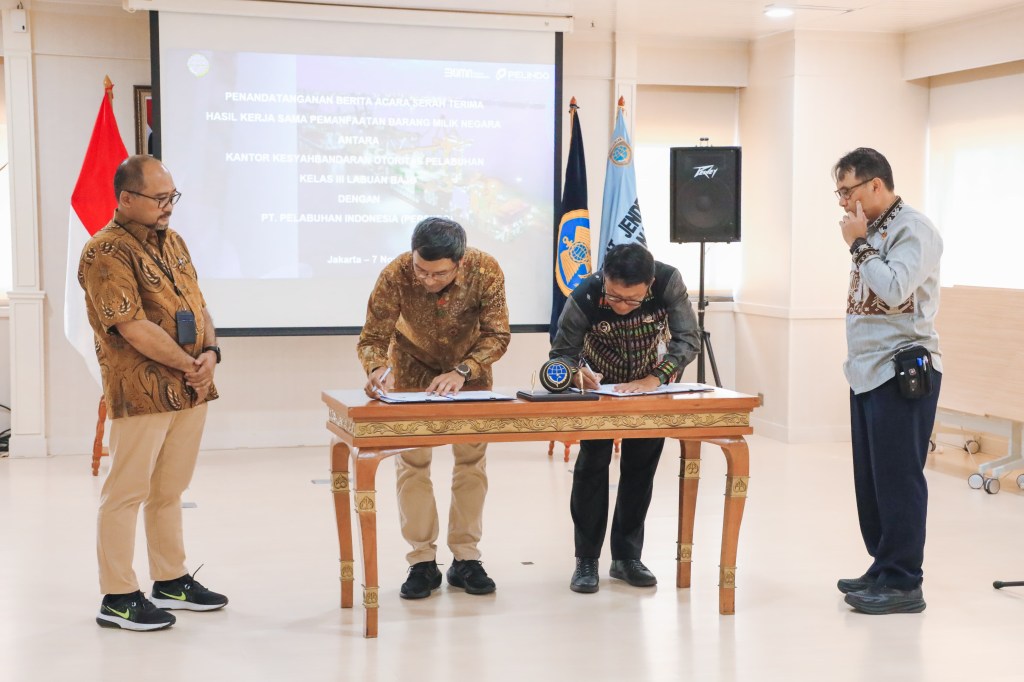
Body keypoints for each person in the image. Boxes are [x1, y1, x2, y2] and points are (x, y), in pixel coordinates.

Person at [80, 155, 228, 631]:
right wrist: (189, 365)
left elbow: (198, 305)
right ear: (126, 198)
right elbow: (131, 326)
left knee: (169, 490)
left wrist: (211, 354)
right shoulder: (104, 252)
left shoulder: (175, 242)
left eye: (172, 197)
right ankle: (118, 596)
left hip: (190, 389)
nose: (169, 206)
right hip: (141, 393)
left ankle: (170, 579)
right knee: (125, 492)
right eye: (159, 198)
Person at [357, 217, 510, 599]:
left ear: (460, 262)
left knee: (471, 463)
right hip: (412, 372)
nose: (427, 279)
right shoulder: (395, 274)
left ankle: (466, 558)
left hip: (469, 375)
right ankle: (422, 561)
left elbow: (497, 335)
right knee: (412, 464)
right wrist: (377, 369)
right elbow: (372, 338)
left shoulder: (486, 270)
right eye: (421, 270)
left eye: (438, 273)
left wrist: (463, 371)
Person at [550, 242, 700, 593]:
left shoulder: (668, 282)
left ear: (649, 284)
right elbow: (561, 354)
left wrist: (655, 379)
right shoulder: (587, 293)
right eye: (615, 296)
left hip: (649, 387)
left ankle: (627, 558)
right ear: (605, 278)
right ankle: (586, 560)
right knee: (591, 468)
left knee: (640, 471)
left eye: (632, 300)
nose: (621, 306)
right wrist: (575, 372)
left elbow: (688, 339)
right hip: (600, 391)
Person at [832, 147, 943, 615]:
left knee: (899, 479)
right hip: (866, 373)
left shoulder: (913, 230)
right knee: (873, 480)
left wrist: (859, 246)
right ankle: (884, 565)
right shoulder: (873, 230)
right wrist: (863, 242)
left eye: (847, 191)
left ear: (876, 184)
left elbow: (895, 289)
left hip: (901, 371)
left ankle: (904, 582)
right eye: (838, 193)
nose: (843, 202)